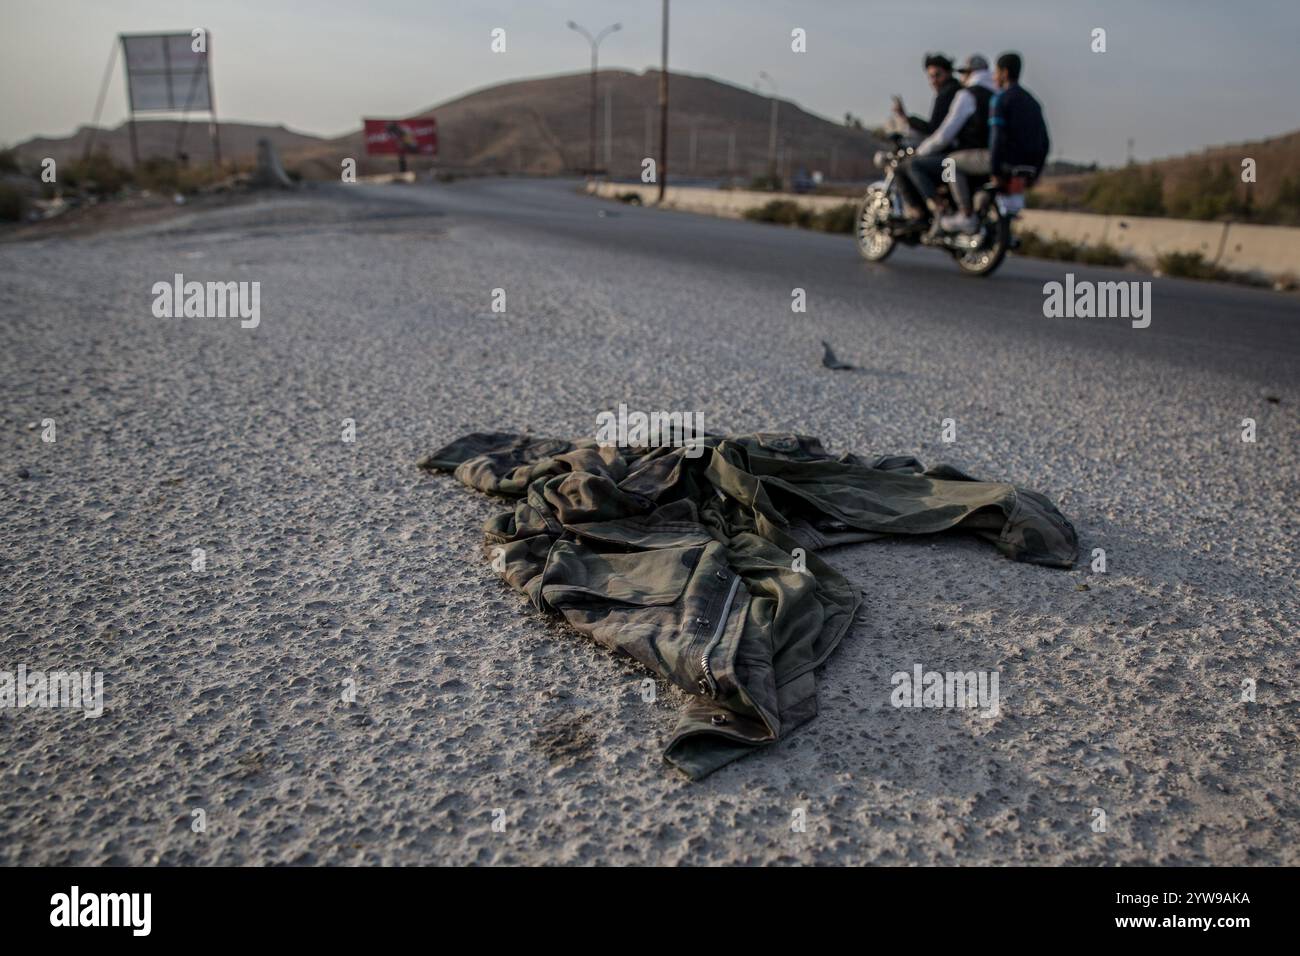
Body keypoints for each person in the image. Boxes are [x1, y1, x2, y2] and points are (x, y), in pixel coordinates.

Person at [903, 54, 998, 230]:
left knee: (921, 165)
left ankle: (944, 210)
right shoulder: (997, 94)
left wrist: (922, 151)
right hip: (995, 156)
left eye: (964, 73)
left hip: (969, 155)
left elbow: (945, 133)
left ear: (970, 73)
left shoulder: (967, 95)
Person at [891, 53, 961, 218]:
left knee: (906, 166)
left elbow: (934, 129)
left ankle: (930, 208)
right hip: (953, 151)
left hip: (950, 153)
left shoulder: (947, 94)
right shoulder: (955, 91)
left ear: (948, 73)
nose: (934, 81)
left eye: (937, 75)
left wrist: (906, 118)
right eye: (931, 77)